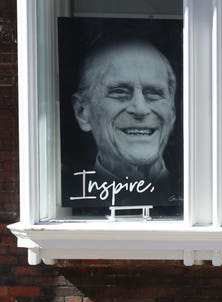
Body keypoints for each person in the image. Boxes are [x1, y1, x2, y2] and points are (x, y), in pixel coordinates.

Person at [71, 39, 180, 206]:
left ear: (172, 113)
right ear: (82, 112)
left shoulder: (191, 194)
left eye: (154, 93)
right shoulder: (69, 193)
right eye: (119, 92)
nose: (140, 109)